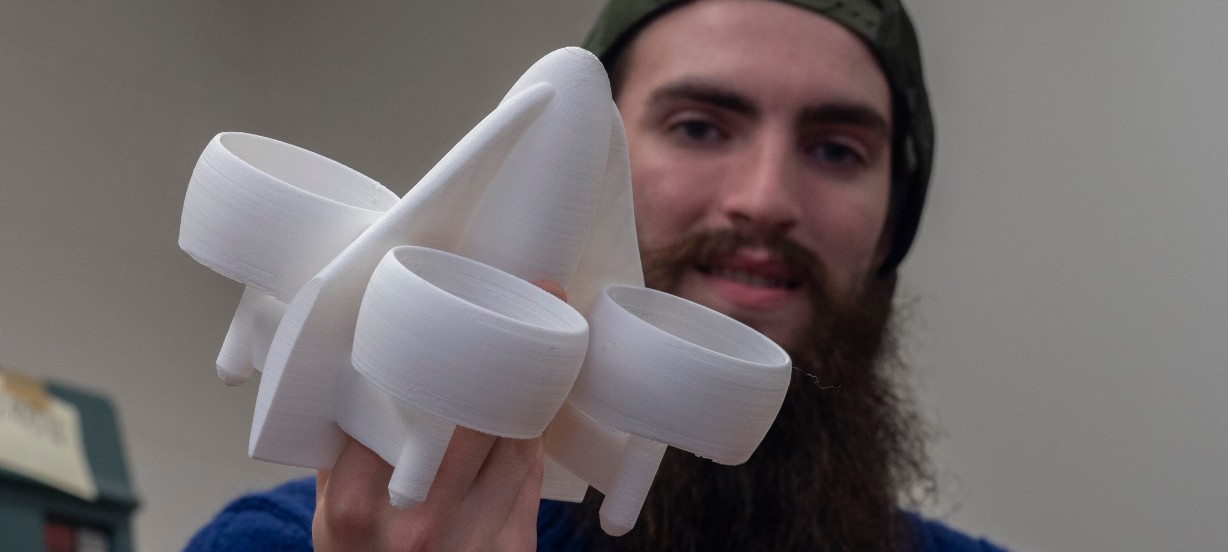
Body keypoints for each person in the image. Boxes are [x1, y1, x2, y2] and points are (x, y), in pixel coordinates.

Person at [187, 0, 1009, 550]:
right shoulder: (286, 540)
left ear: (892, 227)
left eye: (836, 150)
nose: (764, 200)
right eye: (698, 127)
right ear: (593, 184)